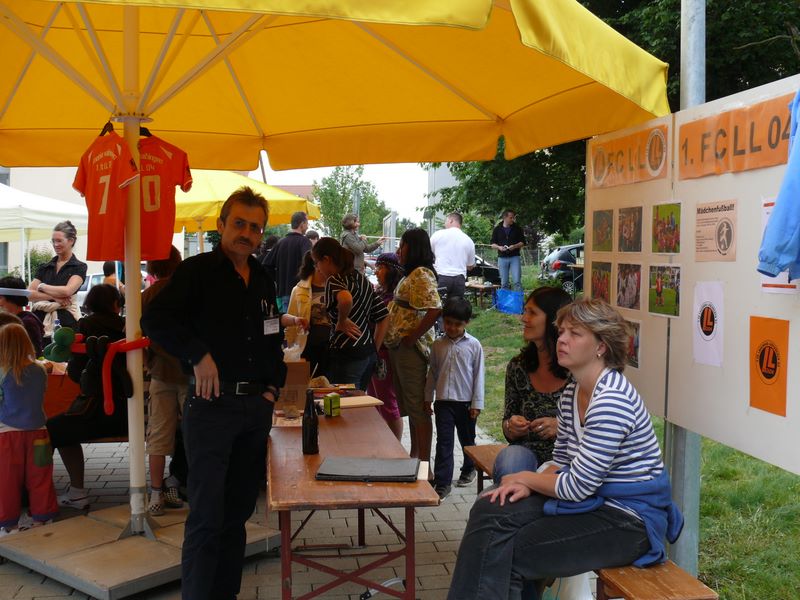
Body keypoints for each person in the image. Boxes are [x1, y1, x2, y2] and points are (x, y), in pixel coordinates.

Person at [448, 299, 682, 600]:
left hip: (630, 521)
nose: (562, 340)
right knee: (490, 507)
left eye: (575, 333)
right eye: (561, 332)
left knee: (507, 550)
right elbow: (561, 461)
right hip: (596, 501)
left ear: (601, 346)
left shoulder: (610, 400)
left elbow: (577, 486)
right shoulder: (573, 391)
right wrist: (528, 484)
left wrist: (526, 479)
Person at [141, 186, 293, 600]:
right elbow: (154, 320)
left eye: (255, 227)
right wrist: (197, 354)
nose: (247, 233)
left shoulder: (262, 278)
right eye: (239, 223)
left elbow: (270, 336)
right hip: (211, 407)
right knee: (207, 517)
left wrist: (273, 386)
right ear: (222, 225)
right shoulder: (197, 271)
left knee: (237, 514)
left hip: (254, 409)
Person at [47, 284, 128, 509]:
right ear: (116, 304)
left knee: (52, 429)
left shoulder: (85, 326)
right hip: (134, 412)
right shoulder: (128, 326)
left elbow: (75, 373)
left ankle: (70, 491)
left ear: (90, 304)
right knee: (62, 427)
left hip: (98, 411)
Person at [494, 287, 572, 484]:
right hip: (526, 451)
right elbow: (507, 422)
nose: (523, 318)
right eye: (525, 311)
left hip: (571, 455)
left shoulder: (577, 369)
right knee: (510, 463)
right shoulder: (518, 366)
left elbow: (596, 429)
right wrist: (511, 426)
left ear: (554, 319)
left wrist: (561, 426)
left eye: (532, 312)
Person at [385, 228, 442, 465]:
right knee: (410, 406)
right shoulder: (411, 273)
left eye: (403, 245)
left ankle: (424, 465)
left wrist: (412, 336)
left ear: (414, 247)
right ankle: (414, 456)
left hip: (412, 350)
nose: (399, 250)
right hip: (400, 347)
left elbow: (435, 308)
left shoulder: (421, 274)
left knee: (418, 408)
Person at [0, 324, 58, 537]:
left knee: (7, 481)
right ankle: (42, 520)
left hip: (7, 434)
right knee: (40, 478)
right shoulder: (40, 370)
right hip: (39, 432)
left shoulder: (2, 371)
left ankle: (9, 526)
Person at [142, 246, 187, 516]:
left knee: (158, 435)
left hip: (160, 373)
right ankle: (191, 485)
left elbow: (137, 333)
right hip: (191, 372)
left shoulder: (147, 296)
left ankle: (156, 493)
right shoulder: (189, 291)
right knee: (195, 434)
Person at [425, 297, 484, 500]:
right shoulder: (437, 345)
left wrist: (476, 403)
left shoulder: (474, 345)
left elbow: (479, 376)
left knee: (467, 439)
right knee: (444, 442)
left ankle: (469, 468)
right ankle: (442, 483)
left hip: (466, 404)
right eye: (448, 322)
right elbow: (432, 373)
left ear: (467, 323)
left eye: (457, 324)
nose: (451, 327)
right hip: (443, 403)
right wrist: (428, 397)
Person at [313, 237, 389, 391]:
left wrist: (342, 321)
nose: (317, 268)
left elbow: (346, 299)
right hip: (367, 354)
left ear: (326, 259)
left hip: (346, 354)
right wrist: (373, 347)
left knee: (344, 401)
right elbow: (384, 315)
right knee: (358, 401)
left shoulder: (334, 280)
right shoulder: (361, 279)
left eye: (317, 262)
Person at [367, 252, 404, 440]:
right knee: (375, 401)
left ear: (392, 270)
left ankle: (396, 447)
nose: (376, 271)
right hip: (373, 353)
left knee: (388, 403)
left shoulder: (395, 298)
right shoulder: (379, 293)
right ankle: (383, 443)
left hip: (385, 355)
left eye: (381, 267)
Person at [28, 220, 87, 336]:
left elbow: (67, 291)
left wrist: (42, 286)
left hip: (66, 321)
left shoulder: (79, 267)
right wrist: (54, 297)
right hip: (39, 320)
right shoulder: (44, 267)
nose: (55, 244)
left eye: (59, 241)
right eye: (53, 241)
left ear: (71, 241)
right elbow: (29, 294)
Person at [286, 251, 330, 377]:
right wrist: (291, 349)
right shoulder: (298, 290)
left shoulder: (336, 287)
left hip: (331, 347)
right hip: (307, 346)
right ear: (316, 265)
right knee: (305, 383)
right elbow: (291, 319)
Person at [264, 211, 311, 311]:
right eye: (307, 223)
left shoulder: (280, 242)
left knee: (285, 320)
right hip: (299, 292)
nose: (307, 226)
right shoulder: (305, 242)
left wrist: (278, 278)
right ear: (302, 224)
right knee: (300, 321)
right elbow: (309, 263)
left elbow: (266, 265)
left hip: (282, 293)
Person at [430, 212, 475, 299]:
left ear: (451, 221)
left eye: (446, 221)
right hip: (459, 280)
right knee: (456, 306)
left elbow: (428, 253)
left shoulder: (437, 235)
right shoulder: (469, 240)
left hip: (441, 277)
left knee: (439, 305)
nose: (444, 224)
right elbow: (470, 266)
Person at [0, 276, 44, 357]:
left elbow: (33, 354)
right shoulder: (9, 320)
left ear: (12, 298)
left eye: (0, 298)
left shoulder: (28, 322)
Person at [490, 210, 526, 291]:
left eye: (513, 218)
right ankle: (505, 299)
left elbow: (523, 242)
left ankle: (518, 299)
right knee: (504, 283)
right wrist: (499, 247)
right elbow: (492, 244)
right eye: (511, 218)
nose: (513, 219)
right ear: (504, 217)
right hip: (502, 258)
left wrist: (515, 246)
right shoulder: (497, 229)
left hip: (515, 257)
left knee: (517, 281)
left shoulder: (517, 228)